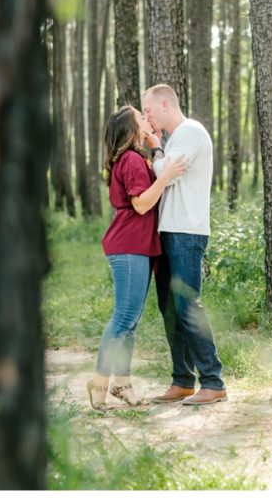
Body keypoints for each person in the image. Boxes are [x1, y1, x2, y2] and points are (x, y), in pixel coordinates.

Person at [88, 105, 187, 409]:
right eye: (141, 118)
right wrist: (166, 174)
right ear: (132, 129)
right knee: (124, 318)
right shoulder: (130, 159)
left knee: (131, 322)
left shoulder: (136, 158)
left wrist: (158, 150)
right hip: (128, 246)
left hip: (138, 247)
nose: (147, 120)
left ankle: (123, 385)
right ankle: (100, 382)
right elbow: (142, 204)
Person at [141, 84, 227, 405]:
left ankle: (213, 381)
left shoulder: (191, 131)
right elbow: (164, 170)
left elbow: (169, 175)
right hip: (168, 230)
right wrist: (160, 150)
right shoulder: (174, 139)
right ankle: (182, 379)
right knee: (169, 308)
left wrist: (157, 150)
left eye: (149, 109)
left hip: (187, 232)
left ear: (165, 103)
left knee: (188, 305)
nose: (147, 116)